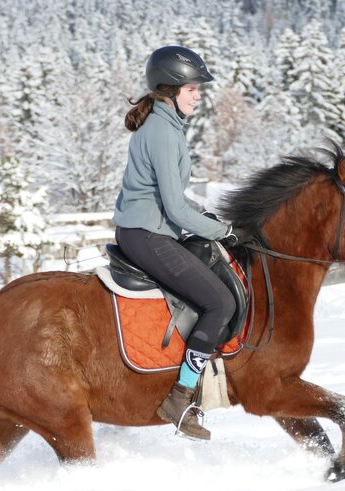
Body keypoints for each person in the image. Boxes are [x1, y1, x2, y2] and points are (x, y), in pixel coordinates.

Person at [112, 45, 250, 440]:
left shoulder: (165, 125)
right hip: (147, 235)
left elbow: (172, 197)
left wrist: (207, 219)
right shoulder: (163, 132)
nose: (198, 94)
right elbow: (173, 207)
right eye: (193, 88)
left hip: (148, 229)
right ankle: (181, 396)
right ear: (170, 88)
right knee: (220, 302)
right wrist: (223, 232)